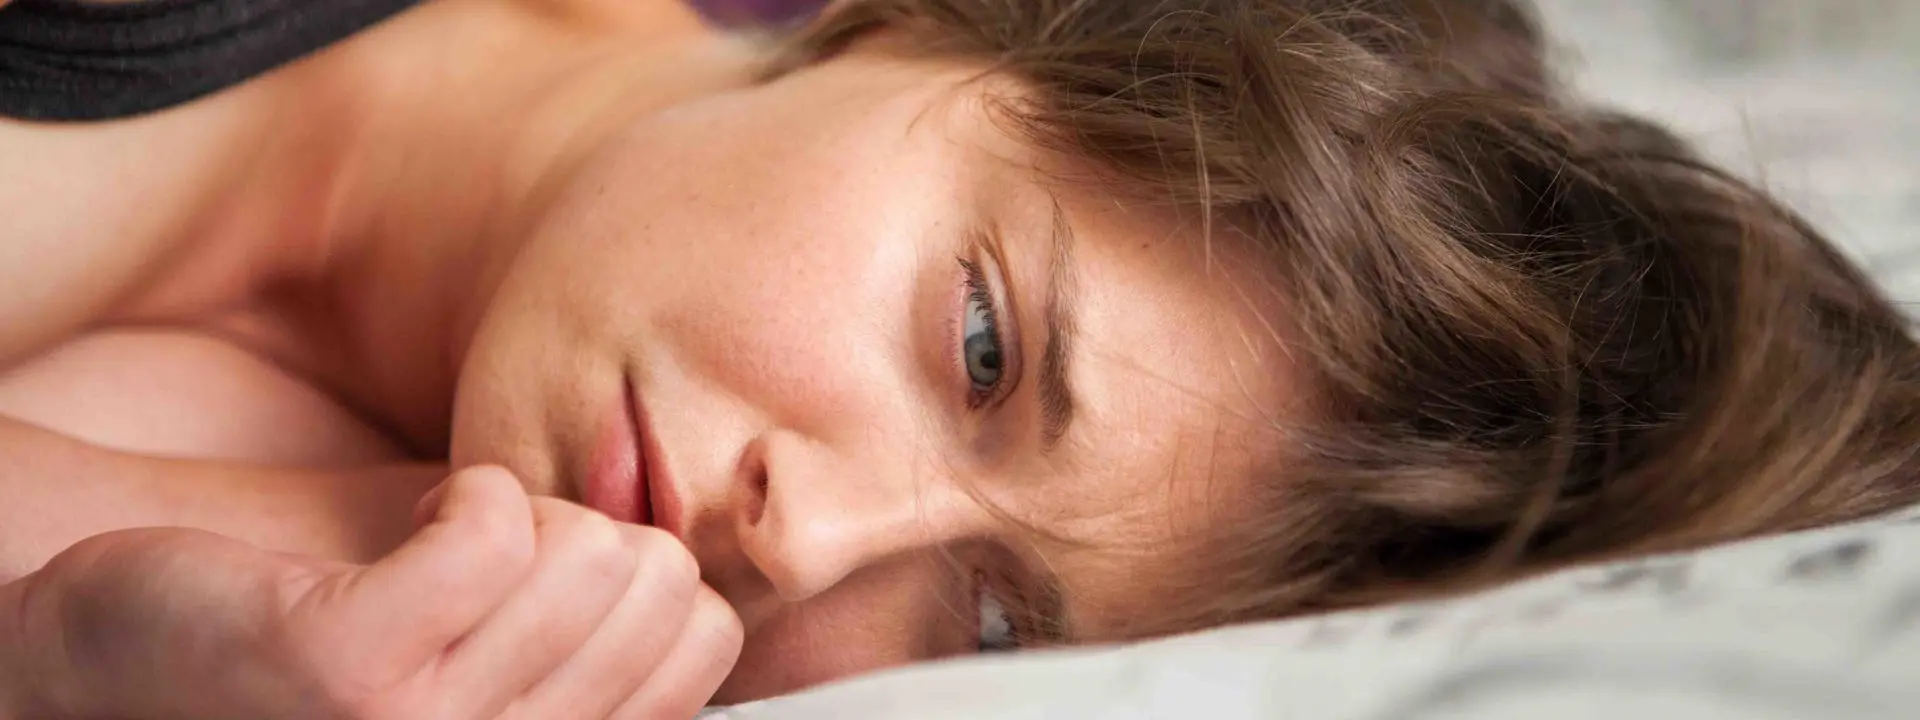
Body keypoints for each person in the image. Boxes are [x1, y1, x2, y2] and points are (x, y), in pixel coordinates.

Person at [2, 0, 1917, 717]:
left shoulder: (360, 548)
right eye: (988, 346)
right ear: (931, 25)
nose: (806, 541)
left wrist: (77, 652)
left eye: (994, 631)